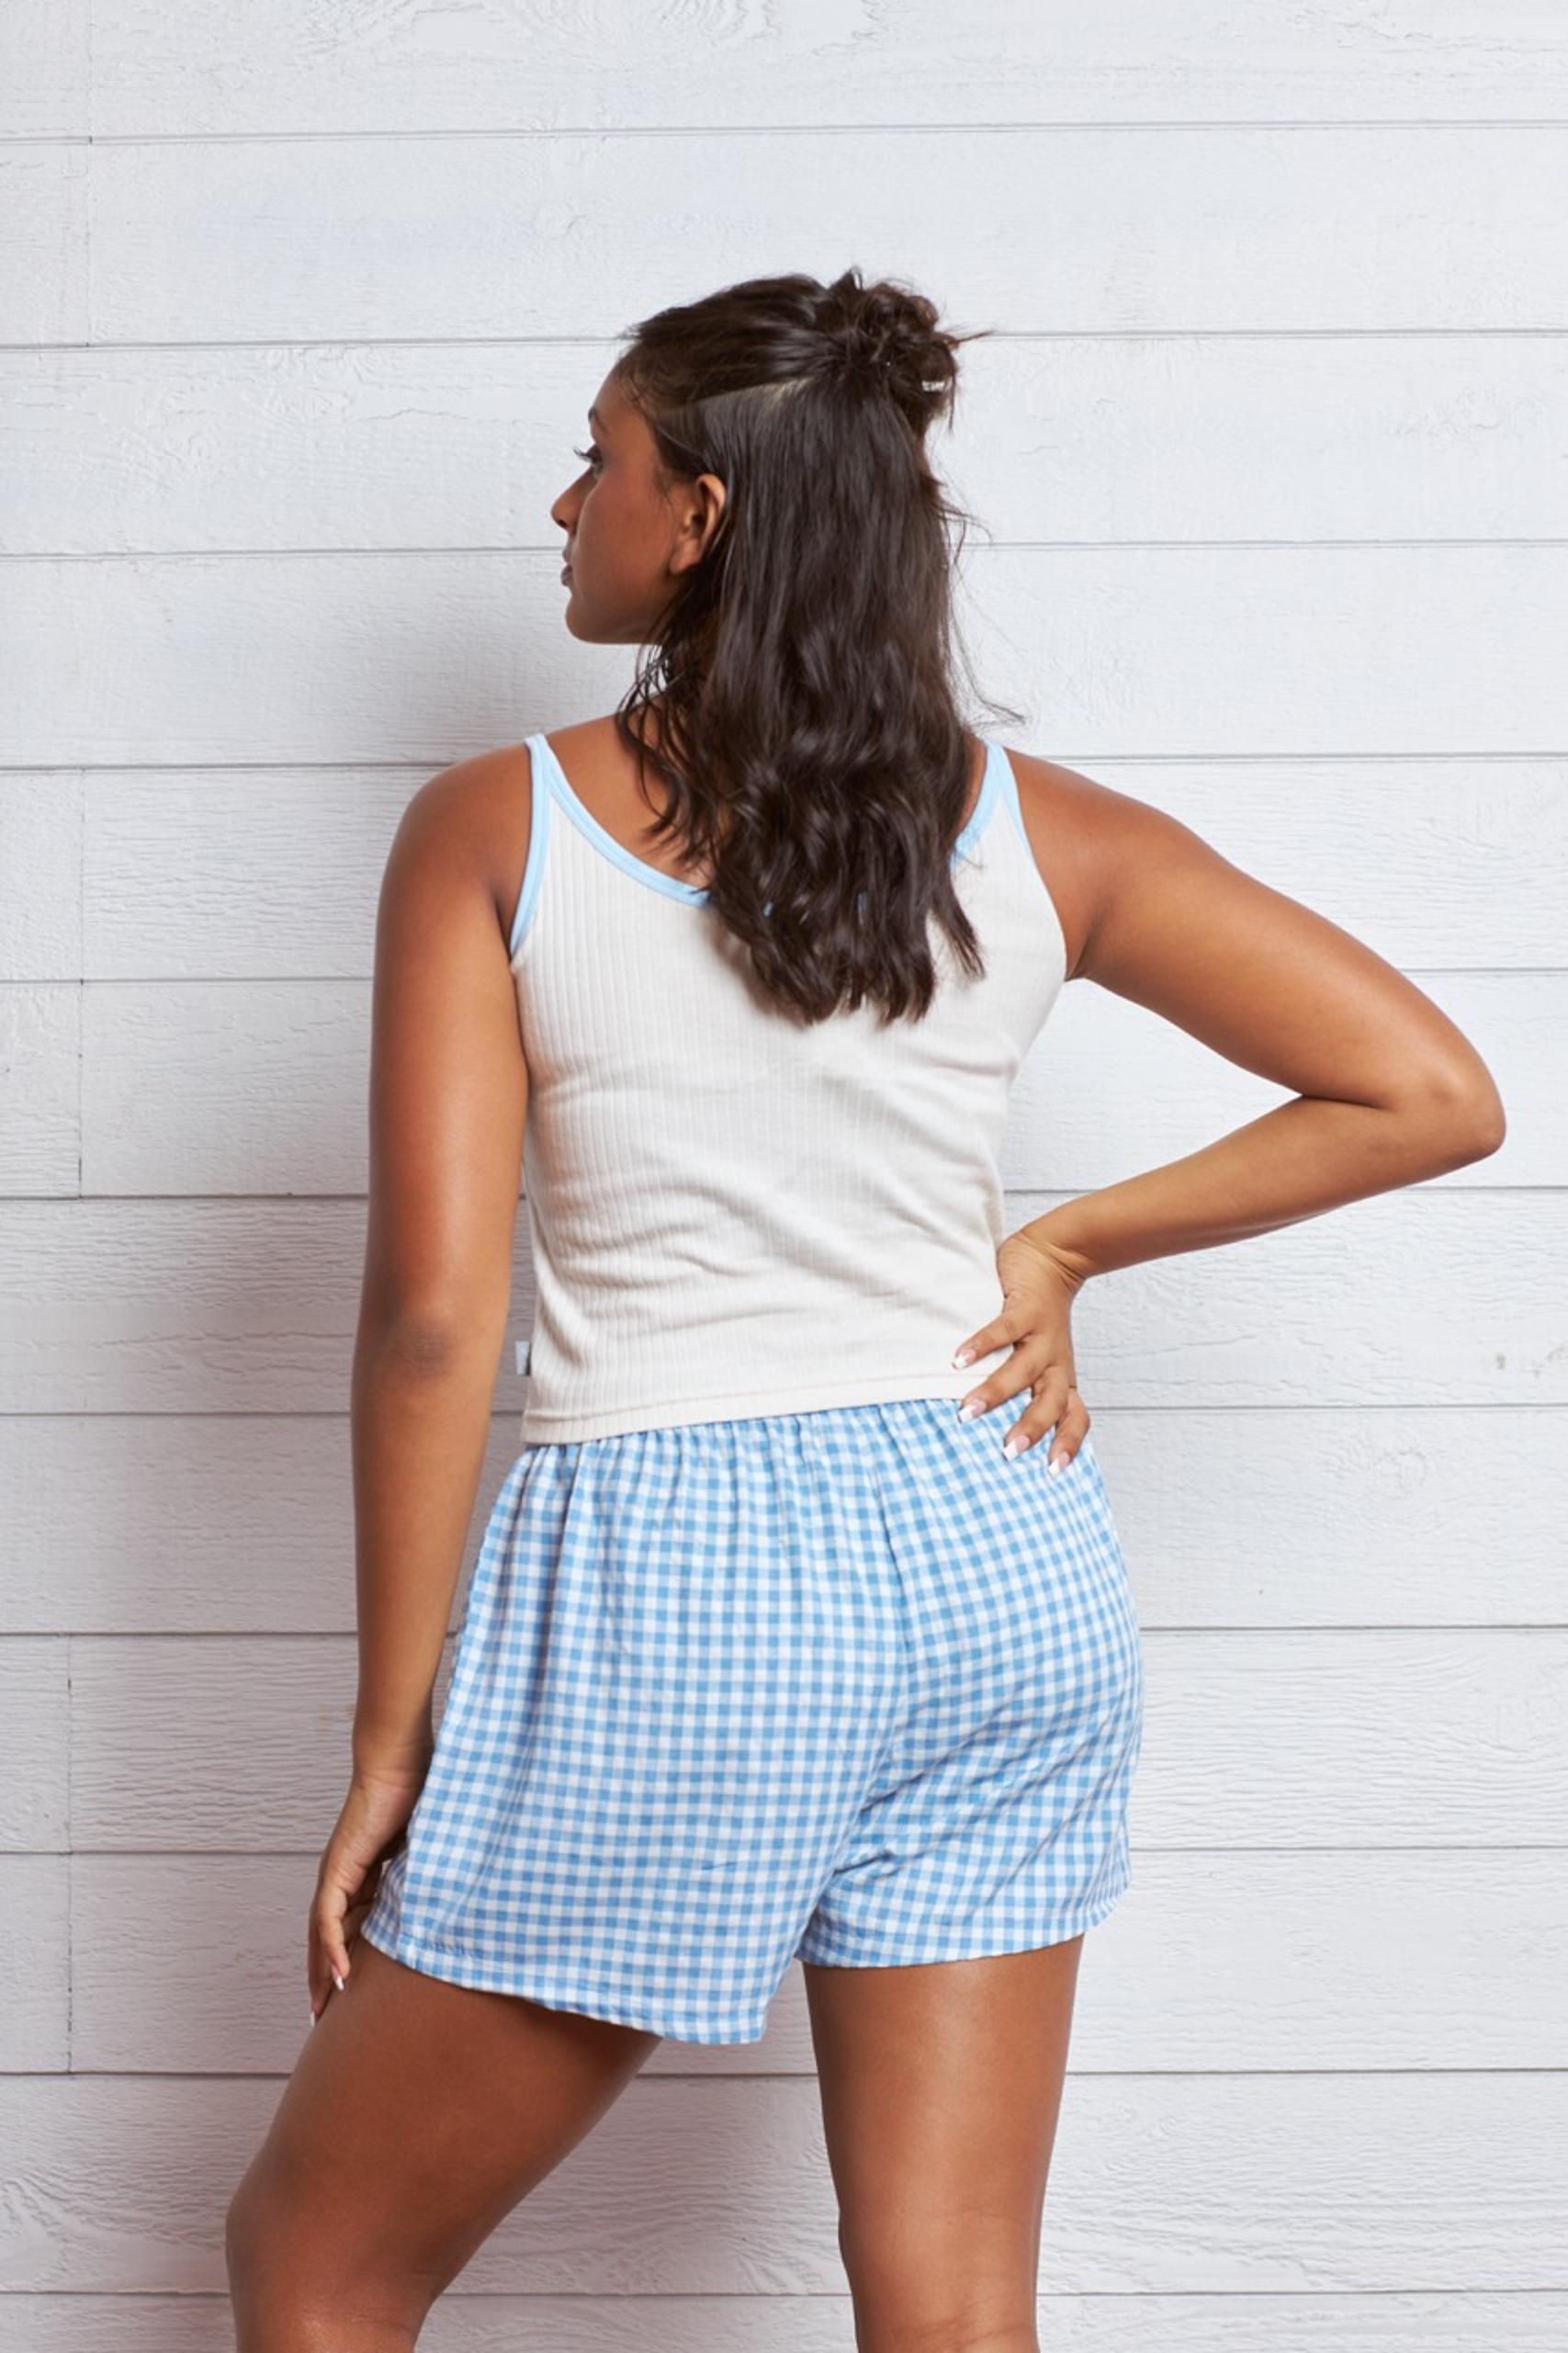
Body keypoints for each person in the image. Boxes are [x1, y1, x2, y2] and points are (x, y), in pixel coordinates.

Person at [224, 267, 1505, 2350]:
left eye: (600, 460)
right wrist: (1058, 1245)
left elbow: (437, 1323)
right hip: (1002, 1554)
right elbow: (1428, 1089)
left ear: (700, 514)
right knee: (947, 2301)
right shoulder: (1048, 832)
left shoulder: (501, 823)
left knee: (318, 2264)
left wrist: (390, 1740)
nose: (566, 506)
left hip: (678, 1579)